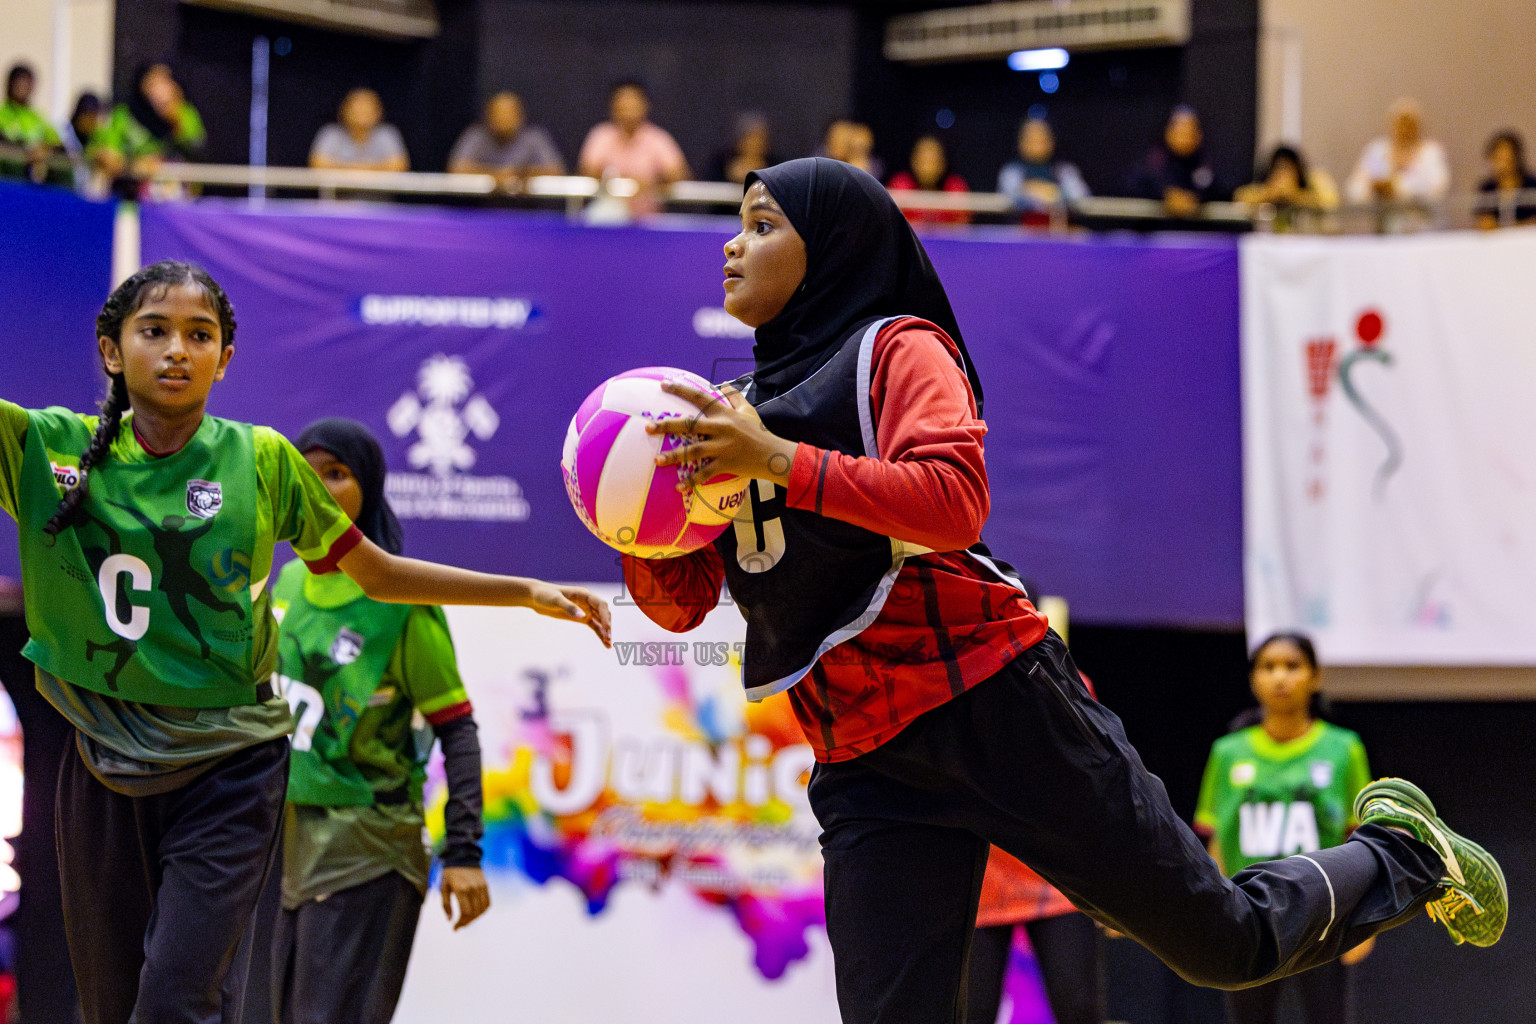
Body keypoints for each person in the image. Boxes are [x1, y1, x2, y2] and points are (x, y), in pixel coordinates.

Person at [624, 157, 1505, 1024]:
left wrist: (776, 459)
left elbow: (954, 504)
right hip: (864, 758)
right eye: (738, 224)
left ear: (834, 246)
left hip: (995, 699)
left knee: (1224, 947)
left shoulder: (897, 349)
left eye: (763, 224)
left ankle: (1399, 851)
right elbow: (682, 602)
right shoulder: (728, 410)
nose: (733, 246)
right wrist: (630, 517)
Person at [0, 259, 610, 1024]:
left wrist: (523, 592)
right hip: (101, 757)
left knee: (174, 1001)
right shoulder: (44, 449)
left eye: (200, 334)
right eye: (153, 331)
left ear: (225, 359)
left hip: (229, 763)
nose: (177, 350)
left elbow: (379, 574)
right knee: (110, 1007)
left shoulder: (260, 460)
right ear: (110, 350)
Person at [271, 418, 489, 1024]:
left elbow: (458, 730)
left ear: (368, 488)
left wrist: (464, 852)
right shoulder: (284, 583)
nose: (318, 489)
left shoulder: (400, 596)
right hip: (282, 849)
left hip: (368, 849)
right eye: (306, 475)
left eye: (336, 475)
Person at [1195, 634, 1375, 1024]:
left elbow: (1360, 839)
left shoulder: (1344, 749)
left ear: (1315, 677)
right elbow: (1215, 844)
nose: (1280, 677)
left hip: (1323, 915)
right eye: (1268, 666)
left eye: (1292, 666)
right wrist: (1217, 915)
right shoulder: (1228, 752)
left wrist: (1366, 921)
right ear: (1253, 678)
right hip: (1250, 917)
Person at [92, 62, 206, 183]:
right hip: (133, 191)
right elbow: (107, 152)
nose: (160, 89)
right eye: (153, 83)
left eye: (164, 81)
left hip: (175, 191)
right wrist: (134, 164)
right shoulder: (124, 114)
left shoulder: (184, 112)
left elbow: (196, 146)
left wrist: (174, 119)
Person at [577, 80, 689, 187]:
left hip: (645, 205)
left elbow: (679, 175)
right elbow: (586, 173)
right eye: (623, 104)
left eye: (633, 103)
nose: (628, 110)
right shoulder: (601, 135)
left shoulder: (657, 138)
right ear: (613, 106)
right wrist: (615, 182)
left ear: (645, 105)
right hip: (606, 205)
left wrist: (648, 183)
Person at [1344, 98, 1450, 206]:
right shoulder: (1378, 151)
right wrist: (1373, 188)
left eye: (1409, 123)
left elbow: (1438, 186)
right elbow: (1354, 188)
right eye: (1400, 122)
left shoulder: (1430, 152)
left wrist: (1396, 189)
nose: (1404, 128)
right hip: (1384, 218)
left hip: (1421, 220)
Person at [447, 91, 563, 190]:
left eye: (509, 113)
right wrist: (496, 176)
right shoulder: (476, 136)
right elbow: (456, 169)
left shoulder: (534, 138)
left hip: (528, 210)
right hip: (481, 209)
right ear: (488, 116)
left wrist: (519, 175)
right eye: (499, 114)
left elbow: (556, 171)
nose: (504, 119)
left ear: (520, 116)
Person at [1128, 105, 1228, 217]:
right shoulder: (1153, 161)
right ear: (1168, 132)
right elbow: (1136, 187)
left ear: (1199, 135)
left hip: (1197, 231)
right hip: (1156, 230)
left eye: (1190, 131)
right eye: (1180, 130)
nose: (1185, 136)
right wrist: (1165, 196)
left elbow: (1220, 190)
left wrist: (1197, 198)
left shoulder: (1205, 162)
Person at [995, 117, 1089, 216]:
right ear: (1020, 142)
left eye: (1041, 138)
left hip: (1056, 228)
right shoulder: (1012, 172)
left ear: (1051, 141)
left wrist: (1054, 193)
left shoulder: (1064, 170)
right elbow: (1006, 199)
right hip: (1020, 229)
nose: (1036, 143)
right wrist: (1031, 192)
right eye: (1030, 138)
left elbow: (1081, 199)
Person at [1234, 145, 1339, 231]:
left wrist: (1294, 195)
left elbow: (1330, 202)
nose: (1284, 174)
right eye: (1279, 168)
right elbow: (1240, 197)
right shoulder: (1267, 184)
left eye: (1288, 168)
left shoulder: (1313, 178)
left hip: (1310, 242)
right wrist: (1271, 193)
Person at [310, 88, 409, 172]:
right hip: (338, 193)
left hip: (376, 193)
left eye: (367, 110)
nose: (361, 113)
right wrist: (354, 169)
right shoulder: (331, 133)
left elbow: (399, 165)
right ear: (344, 110)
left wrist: (365, 169)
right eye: (357, 109)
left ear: (378, 112)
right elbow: (317, 163)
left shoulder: (386, 134)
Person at [886, 135, 971, 226]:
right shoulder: (899, 185)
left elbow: (962, 227)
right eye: (924, 160)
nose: (928, 167)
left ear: (943, 162)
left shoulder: (955, 187)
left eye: (933, 160)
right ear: (913, 160)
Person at [0, 64, 63, 183]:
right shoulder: (2, 113)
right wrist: (28, 150)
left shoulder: (37, 118)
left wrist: (45, 149)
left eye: (27, 83)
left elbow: (57, 142)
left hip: (29, 181)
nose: (22, 87)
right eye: (19, 82)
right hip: (6, 179)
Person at [1473, 130, 1536, 229]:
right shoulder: (1487, 188)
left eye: (1506, 158)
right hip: (1498, 243)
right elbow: (1483, 220)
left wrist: (1512, 228)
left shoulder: (1531, 185)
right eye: (1498, 158)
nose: (1502, 164)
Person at [706, 112, 778, 186]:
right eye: (751, 138)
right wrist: (732, 176)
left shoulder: (775, 165)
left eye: (761, 139)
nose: (757, 144)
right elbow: (709, 188)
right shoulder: (720, 163)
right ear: (739, 142)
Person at [59, 92, 105, 194]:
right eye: (88, 115)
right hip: (61, 191)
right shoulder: (63, 134)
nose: (91, 121)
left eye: (94, 116)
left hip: (81, 193)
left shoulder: (95, 140)